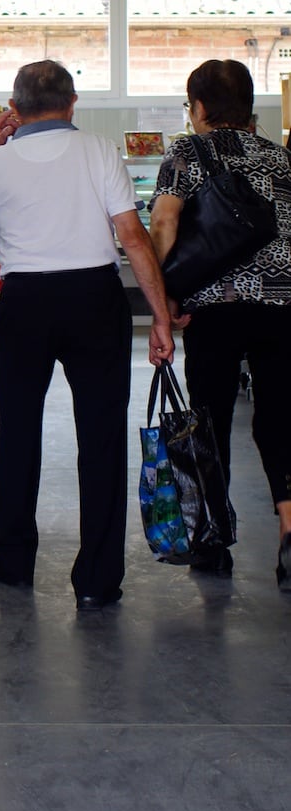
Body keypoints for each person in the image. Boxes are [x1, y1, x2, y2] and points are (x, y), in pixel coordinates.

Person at [0, 60, 175, 611]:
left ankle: (14, 560)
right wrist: (162, 318)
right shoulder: (100, 151)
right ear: (72, 103)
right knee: (101, 438)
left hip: (25, 303)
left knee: (18, 431)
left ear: (14, 108)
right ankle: (98, 579)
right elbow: (133, 236)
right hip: (95, 301)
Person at [148, 59, 291, 588]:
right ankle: (289, 532)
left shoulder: (189, 150)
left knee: (208, 417)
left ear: (199, 107)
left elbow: (164, 221)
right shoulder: (281, 157)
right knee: (280, 416)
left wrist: (163, 298)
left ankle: (211, 535)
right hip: (284, 305)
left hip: (217, 304)